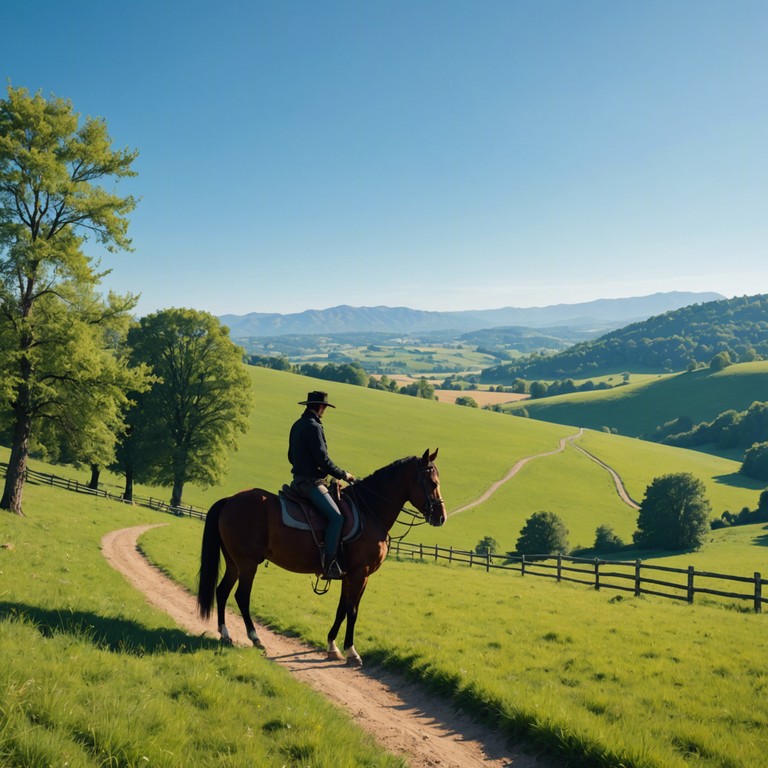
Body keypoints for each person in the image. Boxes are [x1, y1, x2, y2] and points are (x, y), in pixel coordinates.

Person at [288, 391, 355, 580]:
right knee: (337, 518)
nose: (324, 410)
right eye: (324, 407)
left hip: (297, 480)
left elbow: (291, 457)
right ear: (320, 407)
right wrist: (344, 475)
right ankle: (329, 564)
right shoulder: (313, 426)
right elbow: (323, 460)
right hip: (311, 484)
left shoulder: (297, 425)